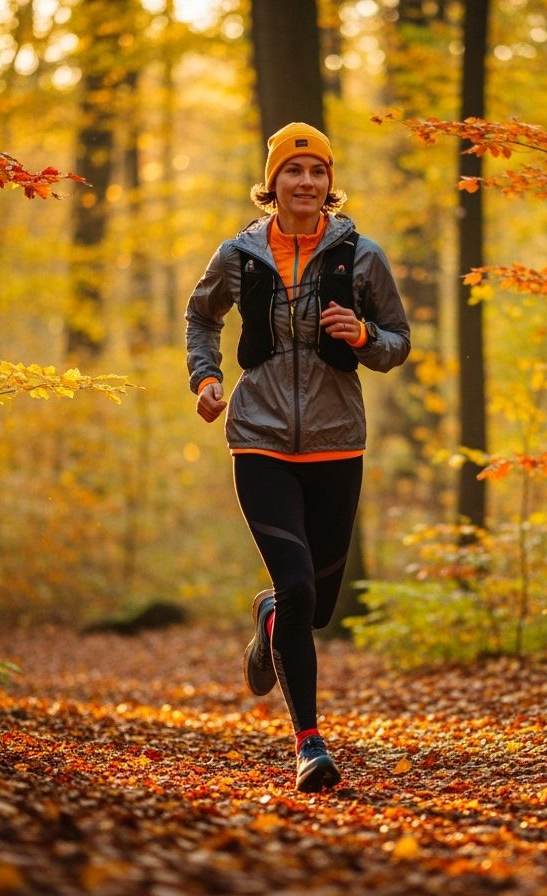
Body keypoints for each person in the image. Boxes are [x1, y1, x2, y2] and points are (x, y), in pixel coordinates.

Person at [185, 122, 411, 793]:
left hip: (338, 439)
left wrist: (366, 334)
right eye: (293, 171)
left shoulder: (361, 256)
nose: (306, 182)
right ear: (273, 183)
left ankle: (271, 619)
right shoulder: (239, 254)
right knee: (298, 583)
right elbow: (202, 317)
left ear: (328, 182)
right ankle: (308, 743)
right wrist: (205, 377)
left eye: (317, 171)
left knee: (314, 608)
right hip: (258, 436)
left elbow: (399, 341)